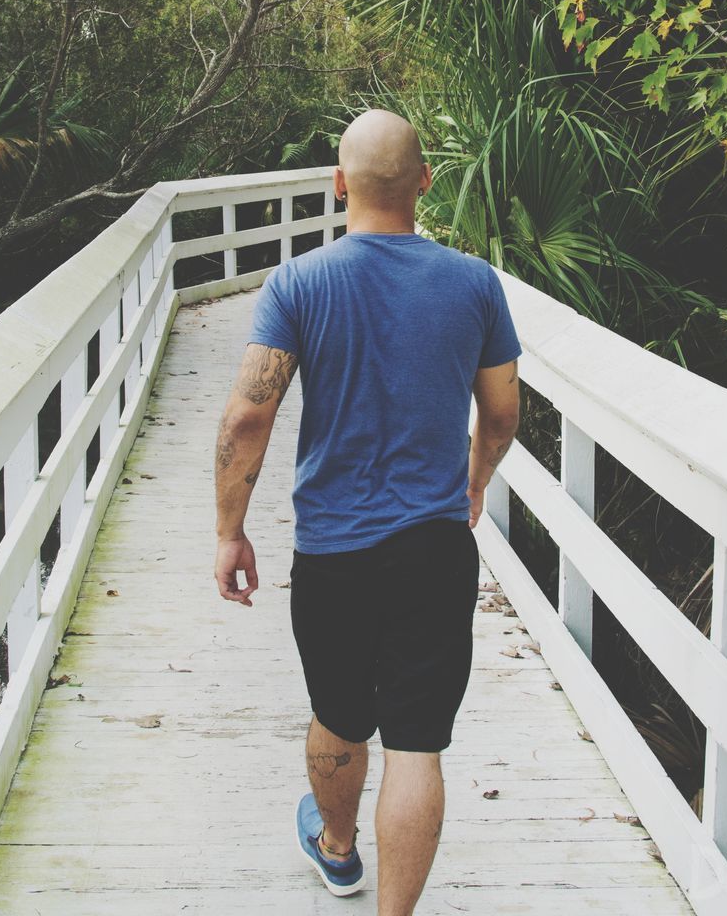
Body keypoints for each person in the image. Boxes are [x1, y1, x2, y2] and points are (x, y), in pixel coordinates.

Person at [213, 109, 521, 914]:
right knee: (416, 744)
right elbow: (501, 413)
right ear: (424, 181)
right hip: (432, 543)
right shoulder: (472, 283)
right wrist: (476, 479)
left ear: (339, 183)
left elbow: (248, 417)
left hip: (333, 550)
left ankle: (338, 850)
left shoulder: (299, 283)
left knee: (339, 715)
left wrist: (228, 531)